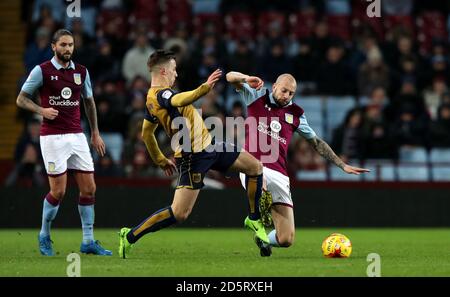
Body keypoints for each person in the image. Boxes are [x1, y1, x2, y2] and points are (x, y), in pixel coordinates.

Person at [118, 50, 270, 258]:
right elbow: (179, 101)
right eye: (173, 70)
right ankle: (130, 236)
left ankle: (254, 219)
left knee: (255, 167)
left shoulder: (150, 100)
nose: (176, 74)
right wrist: (204, 88)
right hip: (192, 158)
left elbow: (146, 133)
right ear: (163, 71)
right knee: (179, 213)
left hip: (210, 145)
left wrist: (160, 158)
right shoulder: (163, 94)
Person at [226, 71, 370, 256]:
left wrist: (342, 165)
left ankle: (263, 238)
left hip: (279, 174)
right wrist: (246, 78)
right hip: (252, 165)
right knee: (259, 185)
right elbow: (230, 76)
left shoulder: (296, 115)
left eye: (291, 93)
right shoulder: (256, 95)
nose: (286, 96)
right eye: (284, 90)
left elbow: (316, 143)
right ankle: (255, 218)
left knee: (285, 239)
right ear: (275, 86)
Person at [16, 29, 111, 256]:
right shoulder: (42, 71)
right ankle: (44, 235)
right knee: (58, 191)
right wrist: (41, 110)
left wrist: (95, 132)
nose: (68, 49)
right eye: (63, 45)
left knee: (89, 188)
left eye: (70, 45)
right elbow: (21, 99)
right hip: (52, 137)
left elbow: (89, 102)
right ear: (54, 47)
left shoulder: (81, 71)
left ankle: (88, 241)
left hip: (77, 135)